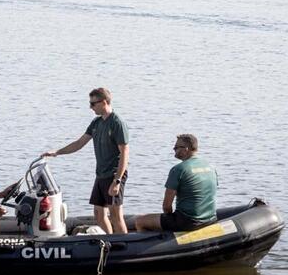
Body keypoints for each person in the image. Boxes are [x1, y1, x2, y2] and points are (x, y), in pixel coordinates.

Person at [42, 87, 130, 234]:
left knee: (115, 215)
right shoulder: (96, 123)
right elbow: (79, 143)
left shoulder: (117, 123)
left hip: (114, 174)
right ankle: (110, 241)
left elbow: (125, 153)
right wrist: (57, 152)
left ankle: (124, 246)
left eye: (93, 104)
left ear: (103, 102)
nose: (90, 107)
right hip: (101, 174)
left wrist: (117, 180)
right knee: (99, 213)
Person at [134, 134, 218, 232]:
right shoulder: (211, 167)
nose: (174, 149)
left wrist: (167, 220)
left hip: (188, 222)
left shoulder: (178, 169)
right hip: (210, 219)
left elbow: (166, 206)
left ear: (186, 149)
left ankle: (156, 245)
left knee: (140, 221)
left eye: (176, 147)